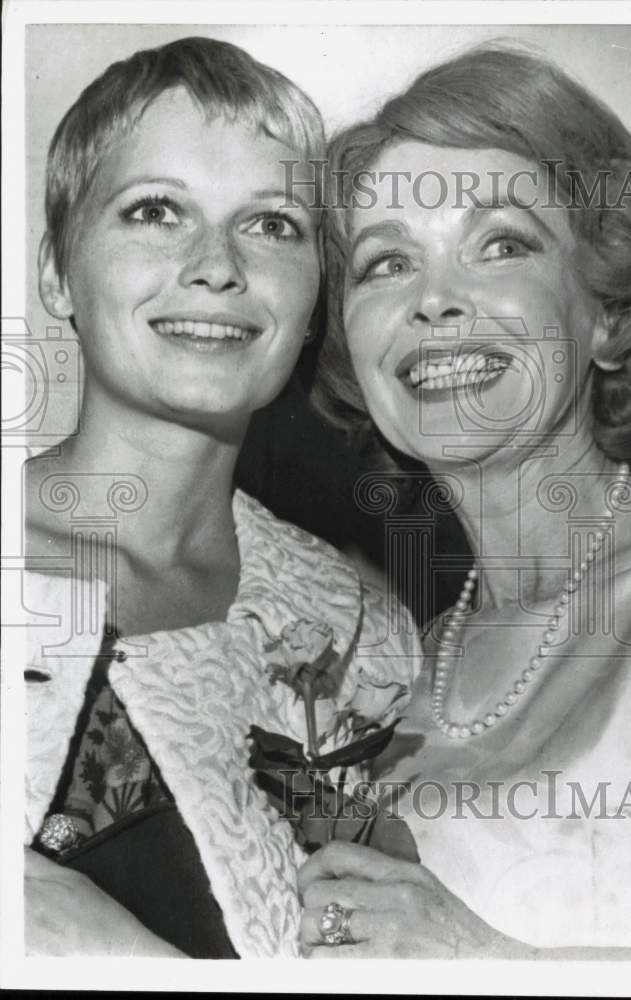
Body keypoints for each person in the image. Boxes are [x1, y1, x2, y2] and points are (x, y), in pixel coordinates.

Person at [302, 45, 631, 957]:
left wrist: (485, 963)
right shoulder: (380, 685)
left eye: (501, 245)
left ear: (605, 312)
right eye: (385, 265)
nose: (436, 302)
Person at [23, 36, 417, 959]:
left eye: (272, 224)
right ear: (56, 272)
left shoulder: (359, 629)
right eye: (156, 210)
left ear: (317, 293)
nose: (217, 265)